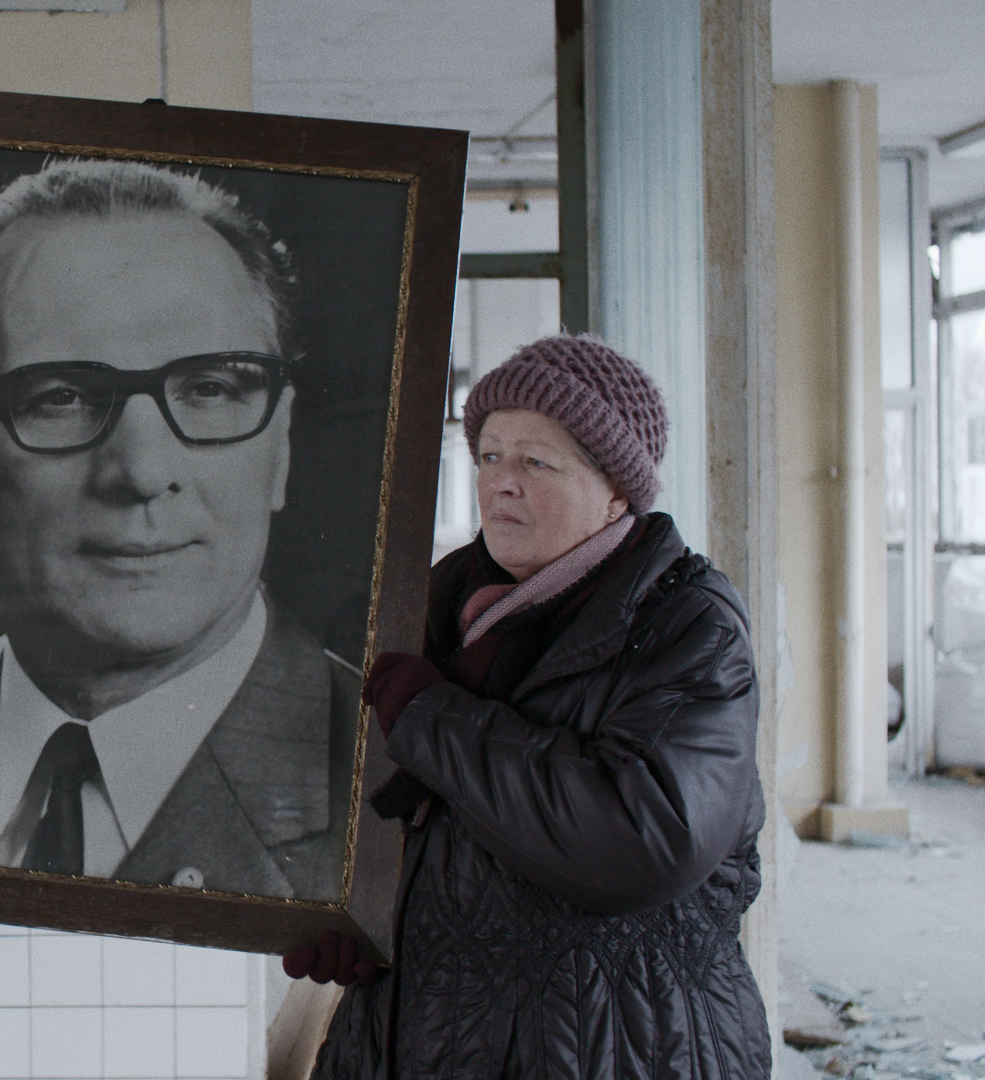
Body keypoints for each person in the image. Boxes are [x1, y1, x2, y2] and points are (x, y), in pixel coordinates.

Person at [0, 159, 361, 900]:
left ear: (282, 447)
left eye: (209, 389)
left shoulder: (394, 779)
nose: (140, 473)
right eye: (63, 396)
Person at [286, 335, 771, 1078]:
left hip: (613, 1044)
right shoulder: (435, 607)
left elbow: (645, 836)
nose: (501, 484)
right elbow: (394, 809)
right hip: (415, 1036)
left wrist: (435, 718)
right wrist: (353, 907)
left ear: (617, 490)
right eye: (487, 456)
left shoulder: (684, 624)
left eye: (536, 462)